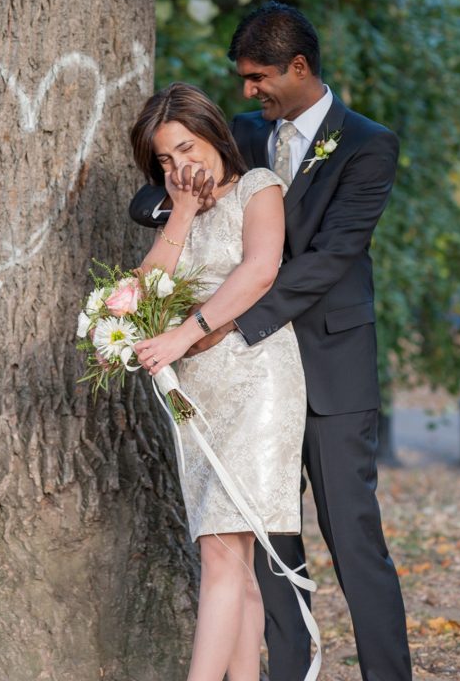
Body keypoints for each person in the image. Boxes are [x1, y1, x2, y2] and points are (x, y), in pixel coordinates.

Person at [130, 1, 412, 681]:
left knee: (352, 540)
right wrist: (180, 197)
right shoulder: (248, 134)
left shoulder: (367, 145)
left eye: (257, 78)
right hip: (242, 377)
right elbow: (150, 200)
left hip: (326, 370)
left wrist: (228, 322)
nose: (247, 92)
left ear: (298, 66)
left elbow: (328, 258)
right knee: (268, 545)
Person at [129, 81, 312, 681]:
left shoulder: (257, 187)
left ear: (213, 134)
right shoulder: (175, 210)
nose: (180, 164)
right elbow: (138, 293)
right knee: (234, 556)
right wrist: (179, 212)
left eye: (186, 146)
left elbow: (261, 270)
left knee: (221, 551)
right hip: (195, 394)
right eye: (164, 158)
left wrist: (184, 333)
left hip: (257, 377)